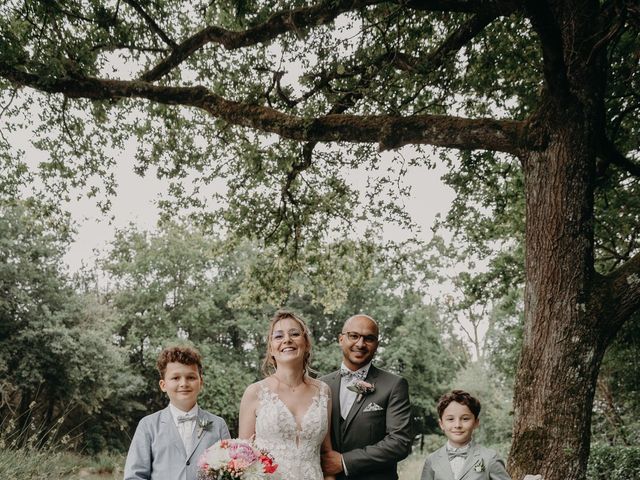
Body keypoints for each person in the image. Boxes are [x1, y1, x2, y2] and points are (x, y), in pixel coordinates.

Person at [239, 310, 336, 480]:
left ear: (306, 343)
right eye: (278, 336)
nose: (287, 340)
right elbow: (242, 460)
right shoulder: (255, 392)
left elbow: (327, 456)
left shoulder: (323, 391)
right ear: (271, 348)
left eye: (295, 334)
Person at [320, 314, 412, 480]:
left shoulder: (394, 385)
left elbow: (399, 443)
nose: (360, 344)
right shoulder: (320, 386)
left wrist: (344, 462)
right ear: (341, 339)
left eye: (369, 338)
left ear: (377, 344)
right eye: (354, 336)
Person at [124, 345, 231, 480]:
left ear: (201, 382)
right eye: (175, 378)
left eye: (191, 377)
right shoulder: (148, 425)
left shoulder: (218, 425)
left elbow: (230, 472)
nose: (183, 383)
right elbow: (135, 476)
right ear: (163, 385)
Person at [420, 389, 511, 480]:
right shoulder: (431, 461)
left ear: (476, 422)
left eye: (465, 419)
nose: (457, 425)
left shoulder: (490, 458)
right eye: (450, 419)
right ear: (441, 424)